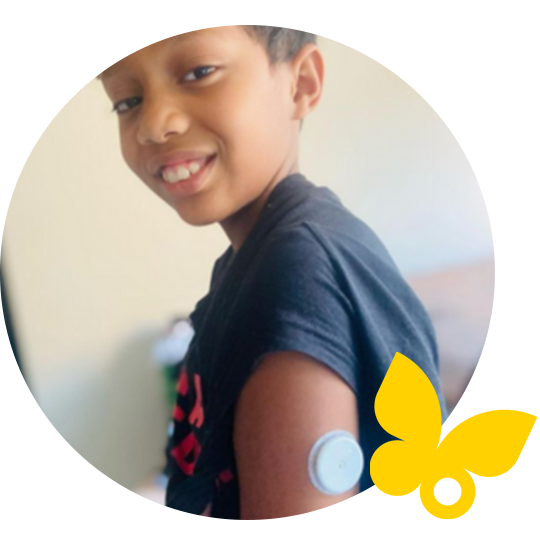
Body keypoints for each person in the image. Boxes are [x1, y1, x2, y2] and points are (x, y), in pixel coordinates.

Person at [57, 25, 464, 520]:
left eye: (199, 72)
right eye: (128, 100)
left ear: (301, 83)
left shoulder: (295, 279)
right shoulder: (254, 262)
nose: (153, 124)